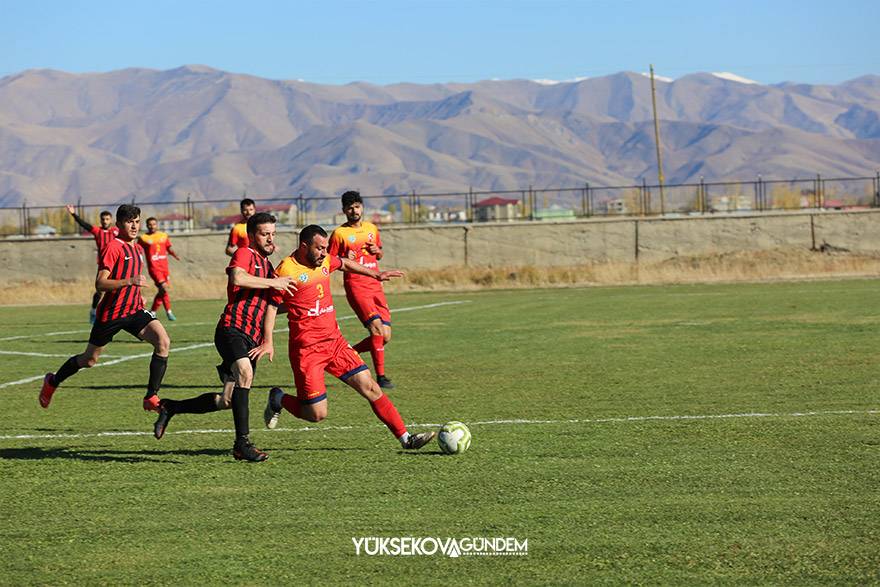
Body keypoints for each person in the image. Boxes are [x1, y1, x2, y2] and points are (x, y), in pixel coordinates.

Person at [262, 224, 435, 451]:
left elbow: (343, 263)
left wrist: (375, 274)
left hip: (335, 343)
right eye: (319, 248)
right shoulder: (286, 270)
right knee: (316, 414)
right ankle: (279, 398)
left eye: (325, 248)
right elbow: (272, 306)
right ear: (304, 246)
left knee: (370, 387)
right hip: (307, 351)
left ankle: (406, 439)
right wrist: (268, 340)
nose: (324, 253)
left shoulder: (324, 260)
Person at [152, 212, 297, 462]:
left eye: (273, 234)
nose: (270, 239)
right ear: (252, 235)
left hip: (251, 339)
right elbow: (237, 277)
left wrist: (297, 307)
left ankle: (171, 407)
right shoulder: (245, 253)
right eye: (265, 234)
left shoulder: (269, 267)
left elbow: (270, 306)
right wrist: (274, 283)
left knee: (227, 400)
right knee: (245, 373)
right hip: (232, 330)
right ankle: (242, 445)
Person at [40, 205, 171, 413]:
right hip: (112, 314)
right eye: (130, 222)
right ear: (119, 224)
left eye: (137, 221)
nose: (134, 226)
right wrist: (129, 281)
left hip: (134, 310)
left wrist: (138, 294)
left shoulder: (137, 248)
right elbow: (100, 283)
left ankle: (151, 397)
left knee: (163, 341)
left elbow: (134, 281)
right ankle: (52, 381)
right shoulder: (113, 247)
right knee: (89, 360)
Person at [328, 191, 395, 389]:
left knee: (386, 336)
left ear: (362, 207)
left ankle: (350, 353)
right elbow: (330, 262)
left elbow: (379, 255)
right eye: (349, 207)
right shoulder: (339, 234)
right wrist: (344, 257)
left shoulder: (371, 229)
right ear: (343, 211)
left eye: (357, 206)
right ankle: (381, 378)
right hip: (356, 286)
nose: (354, 210)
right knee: (376, 329)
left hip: (376, 286)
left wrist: (378, 251)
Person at [66, 204, 119, 324]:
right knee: (100, 290)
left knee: (118, 289)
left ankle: (113, 314)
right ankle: (94, 311)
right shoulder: (97, 231)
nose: (105, 221)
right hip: (103, 265)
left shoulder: (116, 231)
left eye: (107, 219)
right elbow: (83, 224)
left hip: (117, 264)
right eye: (103, 219)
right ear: (100, 220)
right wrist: (73, 214)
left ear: (111, 220)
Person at [138, 217, 181, 321]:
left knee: (162, 291)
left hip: (164, 268)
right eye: (149, 224)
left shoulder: (163, 236)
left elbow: (168, 247)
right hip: (154, 268)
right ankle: (169, 312)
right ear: (147, 226)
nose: (152, 226)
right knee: (164, 288)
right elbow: (137, 250)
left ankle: (152, 311)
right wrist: (139, 261)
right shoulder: (143, 238)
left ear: (157, 225)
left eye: (154, 224)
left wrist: (175, 255)